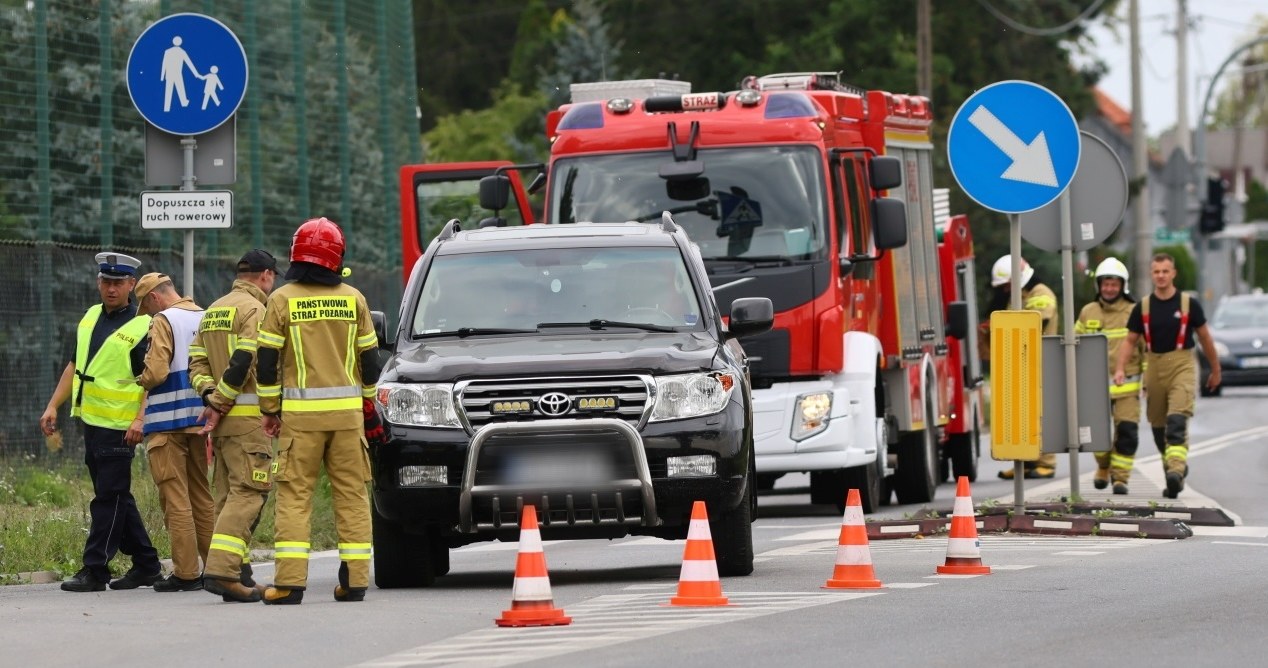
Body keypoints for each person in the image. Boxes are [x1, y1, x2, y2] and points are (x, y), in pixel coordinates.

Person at [256, 217, 381, 605]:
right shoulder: (354, 298)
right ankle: (355, 581)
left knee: (295, 497)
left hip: (301, 420)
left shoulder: (281, 299)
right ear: (336, 257)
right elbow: (371, 361)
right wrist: (367, 402)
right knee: (352, 496)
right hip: (347, 420)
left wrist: (270, 408)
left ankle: (290, 584)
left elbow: (265, 360)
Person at [39, 253, 164, 592]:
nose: (111, 288)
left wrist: (140, 418)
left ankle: (95, 569)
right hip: (91, 422)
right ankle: (147, 565)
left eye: (118, 283)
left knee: (108, 497)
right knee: (116, 495)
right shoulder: (90, 317)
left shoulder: (143, 325)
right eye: (106, 282)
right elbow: (74, 366)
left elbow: (150, 379)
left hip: (121, 426)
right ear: (98, 283)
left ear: (131, 286)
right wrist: (53, 405)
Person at [190, 250, 279, 602]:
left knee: (227, 498)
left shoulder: (213, 310)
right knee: (250, 492)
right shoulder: (255, 310)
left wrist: (210, 396)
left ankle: (239, 574)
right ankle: (223, 571)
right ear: (267, 276)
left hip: (223, 425)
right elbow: (244, 360)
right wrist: (221, 400)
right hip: (247, 423)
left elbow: (195, 363)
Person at [1114, 253, 1221, 499]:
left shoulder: (1188, 304)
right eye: (1156, 272)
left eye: (1165, 271)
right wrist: (1120, 368)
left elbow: (1205, 338)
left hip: (1181, 363)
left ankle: (1176, 468)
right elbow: (1130, 341)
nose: (1161, 276)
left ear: (1173, 274)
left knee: (1176, 419)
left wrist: (1215, 370)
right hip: (1153, 365)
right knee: (1158, 426)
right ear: (1152, 275)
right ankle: (1173, 472)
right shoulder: (1143, 306)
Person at [134, 273, 213, 592]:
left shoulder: (164, 320)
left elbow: (156, 371)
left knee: (175, 498)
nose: (148, 315)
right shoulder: (206, 315)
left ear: (154, 297)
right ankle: (217, 567)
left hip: (166, 424)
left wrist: (140, 379)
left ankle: (186, 572)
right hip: (200, 419)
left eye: (146, 308)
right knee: (201, 496)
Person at [1075, 258, 1144, 494]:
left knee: (1127, 432)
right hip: (1095, 389)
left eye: (1114, 284)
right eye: (1105, 284)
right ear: (1099, 286)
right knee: (1096, 436)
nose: (1109, 289)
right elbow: (1074, 346)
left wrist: (1148, 380)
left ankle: (1121, 478)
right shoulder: (1088, 312)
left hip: (1127, 387)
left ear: (1123, 285)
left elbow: (1145, 348)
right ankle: (1103, 467)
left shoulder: (1134, 311)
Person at [988, 254, 1059, 479]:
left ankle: (1046, 462)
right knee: (1023, 415)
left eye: (1007, 284)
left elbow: (1035, 320)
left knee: (1040, 414)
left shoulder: (1041, 294)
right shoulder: (1019, 295)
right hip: (1022, 361)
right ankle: (1026, 462)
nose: (1005, 290)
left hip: (1040, 360)